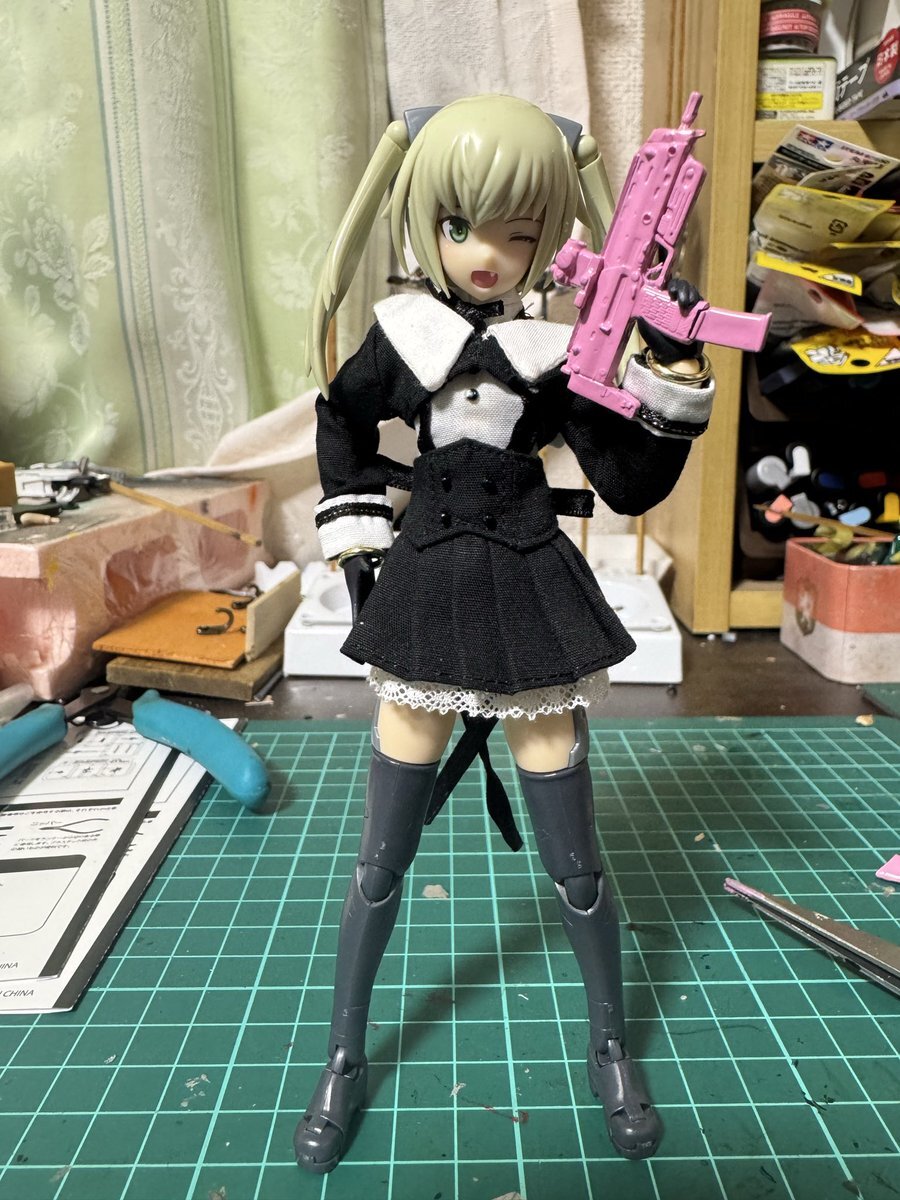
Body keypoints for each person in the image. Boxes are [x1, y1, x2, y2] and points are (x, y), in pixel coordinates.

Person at [295, 94, 713, 1174]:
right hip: (429, 580)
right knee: (380, 858)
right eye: (460, 226)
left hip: (529, 581)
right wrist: (357, 542)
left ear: (549, 240)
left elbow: (626, 480)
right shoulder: (405, 338)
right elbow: (341, 417)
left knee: (577, 862)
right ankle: (343, 1052)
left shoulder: (560, 352)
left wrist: (670, 364)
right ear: (425, 225)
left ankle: (610, 1044)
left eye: (517, 233)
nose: (486, 254)